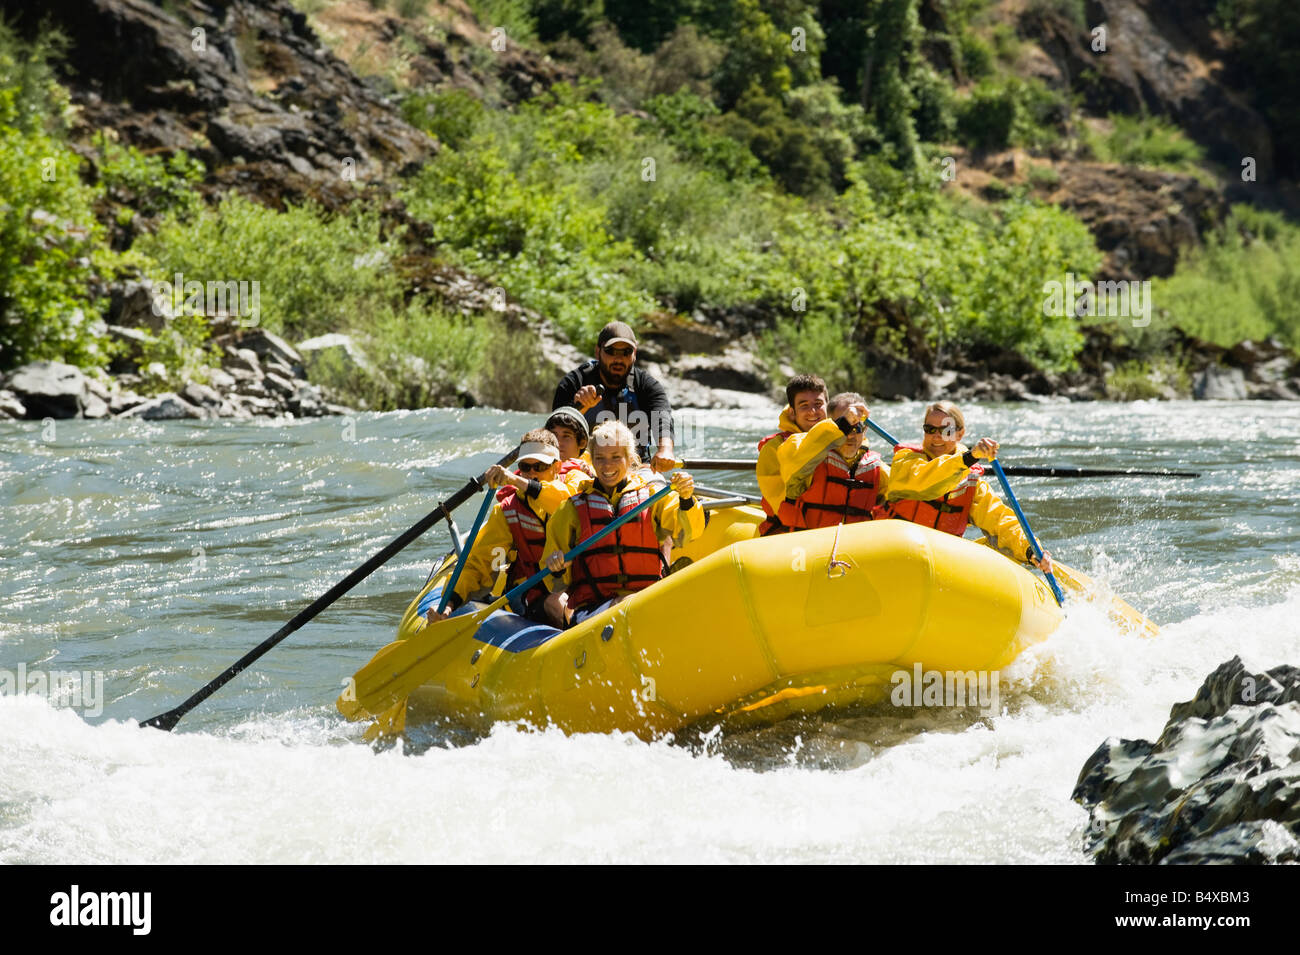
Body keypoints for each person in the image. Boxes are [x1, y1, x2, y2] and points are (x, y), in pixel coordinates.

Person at [541, 420, 703, 627]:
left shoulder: (653, 498)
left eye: (616, 457)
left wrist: (687, 499)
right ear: (592, 462)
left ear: (629, 459)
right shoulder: (571, 509)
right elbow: (553, 580)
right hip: (592, 610)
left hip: (647, 601)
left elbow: (688, 533)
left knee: (641, 606)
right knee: (629, 605)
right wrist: (555, 566)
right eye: (600, 458)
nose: (607, 466)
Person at [884, 401, 1053, 572]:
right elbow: (926, 482)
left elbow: (999, 521)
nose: (936, 437)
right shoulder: (905, 460)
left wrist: (1030, 549)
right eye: (930, 429)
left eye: (945, 431)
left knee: (999, 549)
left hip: (940, 560)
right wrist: (968, 458)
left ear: (960, 434)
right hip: (894, 551)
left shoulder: (971, 482)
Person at [425, 430, 574, 624]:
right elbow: (479, 565)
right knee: (557, 603)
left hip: (574, 583)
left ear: (557, 467)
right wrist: (449, 603)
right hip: (532, 593)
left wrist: (515, 480)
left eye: (539, 466)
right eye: (525, 467)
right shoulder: (507, 512)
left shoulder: (575, 484)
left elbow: (564, 500)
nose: (532, 474)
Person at [552, 321, 676, 472]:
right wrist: (579, 410)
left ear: (634, 354)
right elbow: (553, 434)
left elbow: (662, 418)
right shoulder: (573, 382)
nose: (618, 359)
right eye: (611, 351)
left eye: (626, 352)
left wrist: (665, 450)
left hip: (636, 469)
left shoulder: (646, 386)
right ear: (598, 352)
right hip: (583, 469)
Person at [777, 392, 889, 529]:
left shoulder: (878, 469)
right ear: (830, 424)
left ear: (865, 430)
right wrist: (842, 425)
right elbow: (794, 460)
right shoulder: (804, 453)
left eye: (857, 427)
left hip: (854, 547)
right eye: (846, 427)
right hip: (809, 546)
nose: (850, 435)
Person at [755, 374, 829, 536]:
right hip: (793, 535)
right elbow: (781, 503)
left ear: (827, 408)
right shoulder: (774, 449)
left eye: (818, 404)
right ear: (792, 413)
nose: (813, 411)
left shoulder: (846, 442)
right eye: (804, 405)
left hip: (842, 535)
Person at [545, 406, 595, 489]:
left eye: (566, 436)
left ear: (582, 442)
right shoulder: (532, 467)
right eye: (553, 435)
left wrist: (589, 474)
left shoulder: (594, 470)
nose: (558, 442)